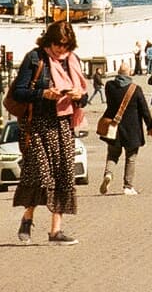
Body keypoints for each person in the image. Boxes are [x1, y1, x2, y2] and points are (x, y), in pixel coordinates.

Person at [11, 20, 88, 245]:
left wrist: (77, 96)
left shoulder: (72, 61)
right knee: (40, 173)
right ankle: (27, 217)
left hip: (63, 123)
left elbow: (83, 97)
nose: (60, 49)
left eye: (64, 45)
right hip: (37, 124)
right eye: (56, 44)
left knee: (64, 174)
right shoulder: (35, 58)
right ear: (49, 41)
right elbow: (19, 92)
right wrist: (43, 93)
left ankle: (56, 231)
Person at [99, 62, 152, 196]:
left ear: (118, 72)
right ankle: (128, 186)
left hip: (114, 128)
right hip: (132, 129)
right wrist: (150, 126)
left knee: (112, 155)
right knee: (131, 158)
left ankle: (108, 174)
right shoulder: (136, 89)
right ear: (129, 73)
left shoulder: (109, 86)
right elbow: (144, 110)